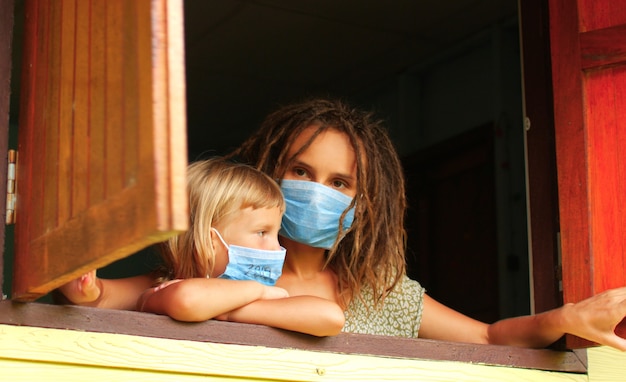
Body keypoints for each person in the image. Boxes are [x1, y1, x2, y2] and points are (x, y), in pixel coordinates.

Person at [60, 99, 626, 350]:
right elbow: (101, 295)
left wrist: (568, 316)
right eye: (300, 171)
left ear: (364, 203)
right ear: (267, 175)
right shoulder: (198, 270)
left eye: (339, 183)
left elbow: (485, 336)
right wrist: (77, 271)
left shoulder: (385, 295)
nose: (316, 192)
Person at [62, 157, 345, 337]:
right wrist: (88, 289)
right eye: (262, 232)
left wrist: (231, 310)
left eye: (276, 233)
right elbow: (188, 300)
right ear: (210, 242)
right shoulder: (164, 287)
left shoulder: (267, 295)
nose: (276, 248)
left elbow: (330, 317)